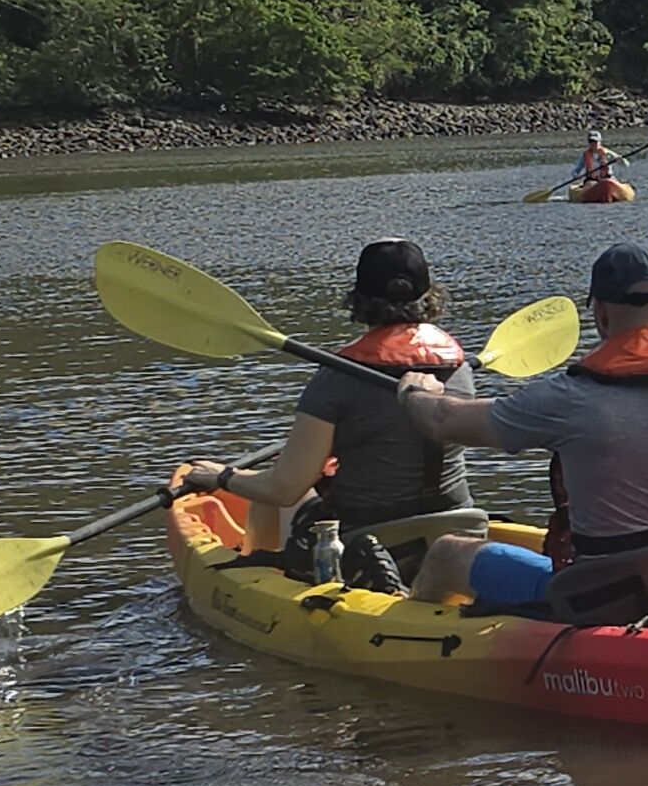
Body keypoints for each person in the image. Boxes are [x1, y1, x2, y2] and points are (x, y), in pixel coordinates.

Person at [398, 242, 648, 630]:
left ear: (599, 313)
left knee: (447, 554)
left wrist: (417, 392)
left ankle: (405, 646)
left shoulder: (570, 398)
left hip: (596, 606)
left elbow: (442, 421)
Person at [171, 238, 482, 579]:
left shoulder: (337, 378)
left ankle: (256, 572)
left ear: (359, 299)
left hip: (368, 538)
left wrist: (222, 477)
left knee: (272, 486)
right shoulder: (459, 367)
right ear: (429, 296)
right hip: (456, 527)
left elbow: (284, 488)